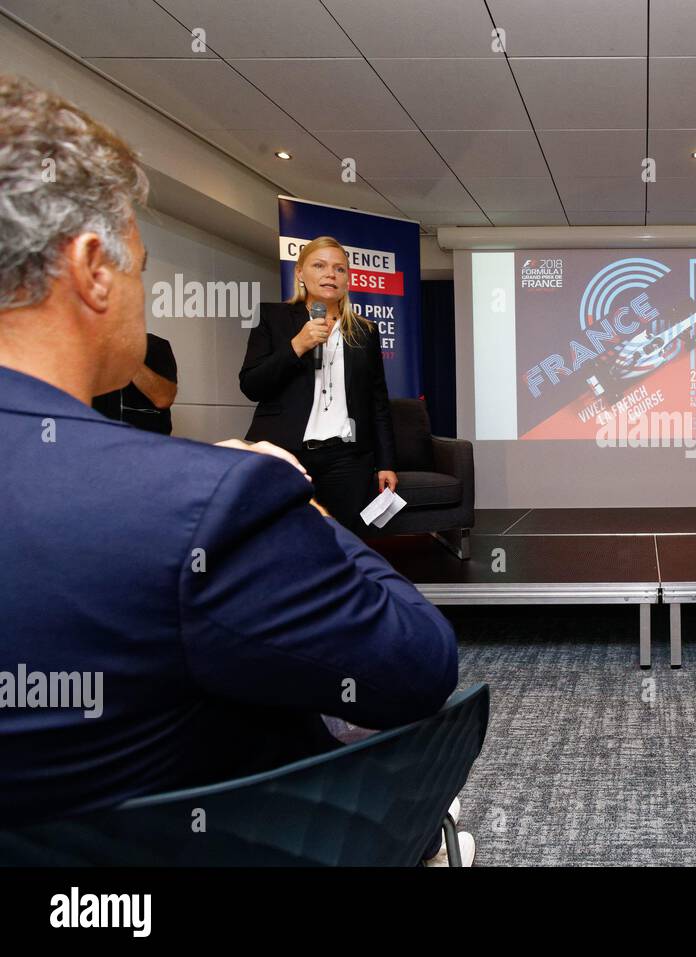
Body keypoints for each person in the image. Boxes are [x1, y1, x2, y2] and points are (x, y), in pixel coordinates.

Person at [0, 73, 459, 832]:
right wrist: (285, 502)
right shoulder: (209, 502)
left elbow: (377, 402)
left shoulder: (360, 334)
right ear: (90, 269)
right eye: (143, 267)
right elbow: (418, 666)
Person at [239, 238, 398, 536]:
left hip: (347, 458)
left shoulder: (364, 330)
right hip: (286, 454)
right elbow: (251, 385)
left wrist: (386, 462)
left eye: (339, 269)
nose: (330, 274)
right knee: (284, 539)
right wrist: (297, 346)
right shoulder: (272, 318)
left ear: (347, 279)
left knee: (345, 542)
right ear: (300, 273)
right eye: (319, 265)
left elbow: (378, 401)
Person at [91, 331, 177, 434]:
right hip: (98, 441)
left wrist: (122, 352)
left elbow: (163, 398)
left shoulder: (153, 345)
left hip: (144, 443)